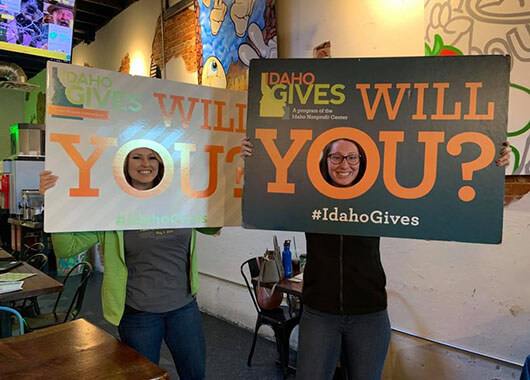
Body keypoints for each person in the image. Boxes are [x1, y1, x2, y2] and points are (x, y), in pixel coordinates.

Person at [241, 136, 511, 380]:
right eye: (336, 156)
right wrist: (252, 161)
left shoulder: (380, 197)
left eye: (352, 157)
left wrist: (491, 168)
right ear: (325, 162)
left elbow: (443, 195)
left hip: (368, 314)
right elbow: (265, 193)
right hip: (319, 312)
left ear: (362, 161)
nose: (344, 163)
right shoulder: (308, 196)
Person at [40, 147, 219, 380]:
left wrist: (236, 166)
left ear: (161, 163)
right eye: (137, 156)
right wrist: (53, 202)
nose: (145, 163)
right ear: (124, 164)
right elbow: (67, 248)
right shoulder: (112, 209)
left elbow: (214, 225)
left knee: (195, 375)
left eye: (152, 157)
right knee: (143, 377)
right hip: (139, 315)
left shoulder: (180, 200)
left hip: (184, 309)